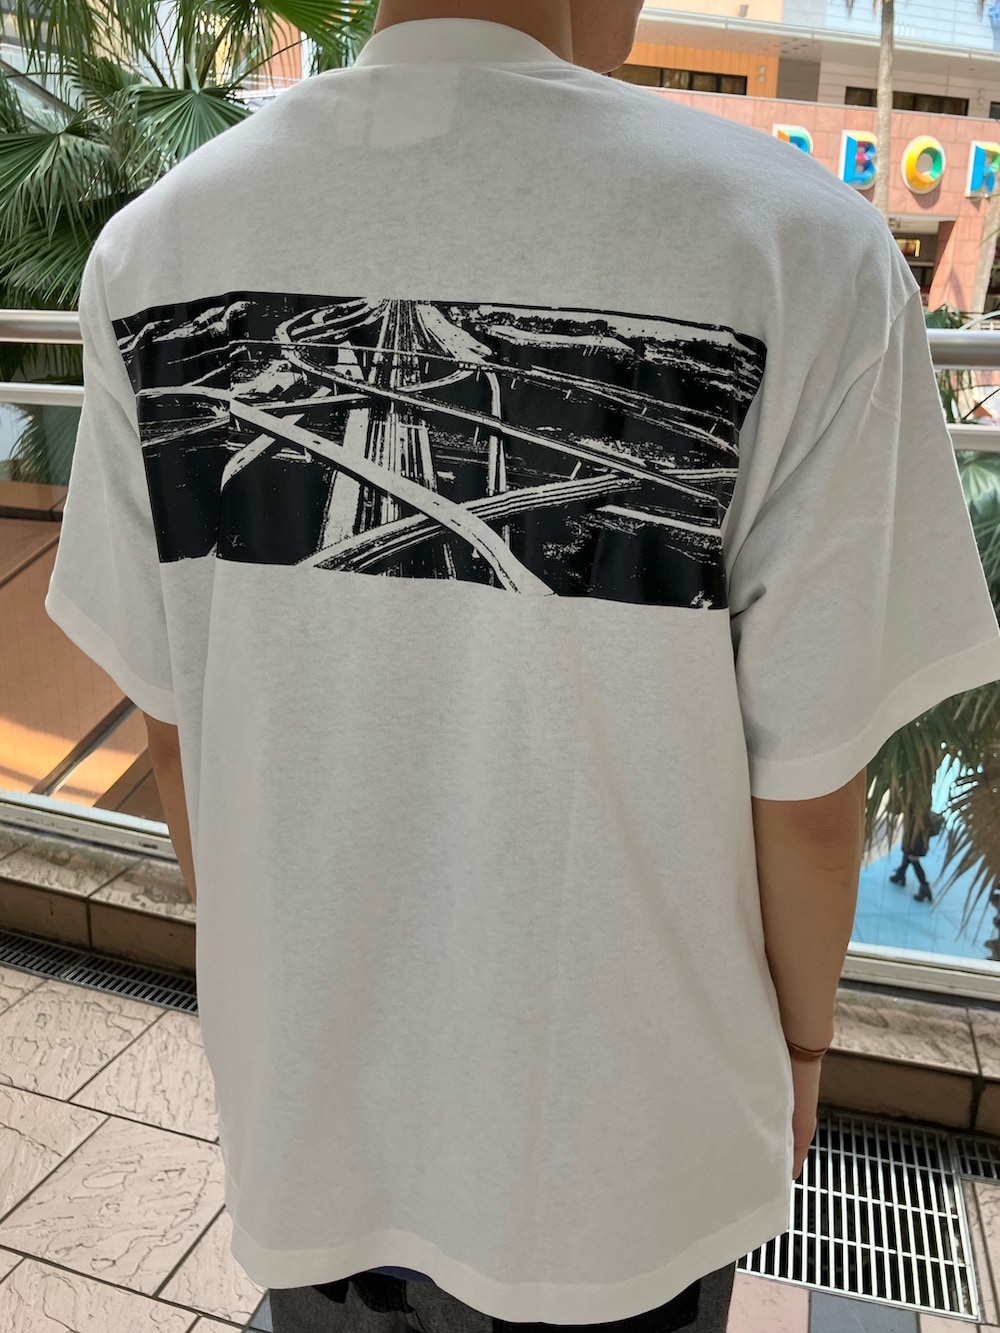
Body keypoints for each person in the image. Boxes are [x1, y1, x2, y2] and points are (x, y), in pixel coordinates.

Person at [43, 0, 1000, 1330]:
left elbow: (173, 733)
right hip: (631, 1147)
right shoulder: (803, 246)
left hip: (313, 1109)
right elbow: (807, 791)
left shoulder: (157, 247)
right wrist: (797, 1047)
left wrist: (275, 985)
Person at [889, 809, 945, 903]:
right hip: (916, 834)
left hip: (917, 837)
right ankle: (900, 874)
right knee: (908, 854)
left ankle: (924, 887)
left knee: (913, 859)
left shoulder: (917, 810)